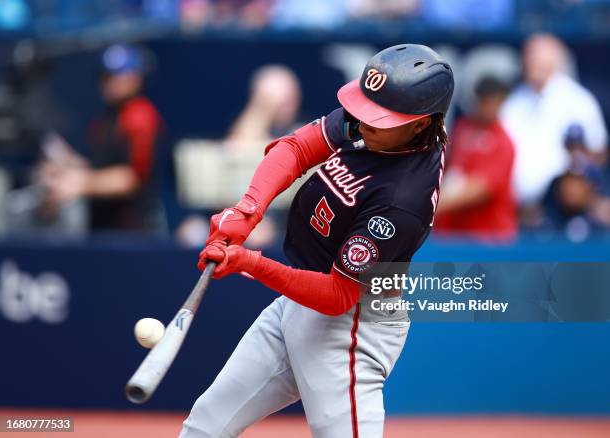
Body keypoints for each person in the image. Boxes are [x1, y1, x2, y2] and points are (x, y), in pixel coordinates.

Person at [180, 44, 453, 437]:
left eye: (379, 118)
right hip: (299, 301)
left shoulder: (402, 201)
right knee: (206, 423)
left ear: (421, 123)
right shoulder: (382, 128)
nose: (362, 123)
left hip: (351, 328)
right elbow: (296, 148)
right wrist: (247, 211)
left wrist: (250, 263)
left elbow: (337, 295)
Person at [40, 44, 164, 232]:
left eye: (117, 76)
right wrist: (67, 167)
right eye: (105, 76)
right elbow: (101, 167)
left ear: (136, 78)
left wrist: (81, 183)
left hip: (133, 230)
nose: (109, 83)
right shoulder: (105, 120)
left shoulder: (141, 117)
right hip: (102, 225)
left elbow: (132, 179)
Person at [500, 33, 608, 205]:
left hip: (560, 207)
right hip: (516, 204)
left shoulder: (578, 99)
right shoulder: (513, 102)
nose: (532, 62)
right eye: (529, 56)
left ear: (556, 61)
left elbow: (598, 149)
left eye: (539, 57)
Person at [435, 76, 517, 241]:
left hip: (488, 237)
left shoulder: (502, 142)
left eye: (493, 101)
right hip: (453, 232)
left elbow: (481, 189)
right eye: (483, 100)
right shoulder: (462, 127)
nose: (488, 107)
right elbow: (448, 170)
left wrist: (430, 207)